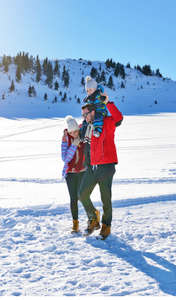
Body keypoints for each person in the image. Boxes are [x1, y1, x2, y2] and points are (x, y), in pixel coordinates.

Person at [79, 98, 123, 240]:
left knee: (106, 199)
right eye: (82, 115)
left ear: (93, 112)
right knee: (82, 194)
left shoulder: (106, 123)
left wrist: (108, 103)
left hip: (106, 166)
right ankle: (93, 217)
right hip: (92, 167)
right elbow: (85, 144)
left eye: (86, 114)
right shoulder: (88, 127)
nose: (84, 117)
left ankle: (106, 226)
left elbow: (119, 118)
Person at [61, 115, 92, 233]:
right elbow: (65, 158)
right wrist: (74, 145)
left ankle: (92, 219)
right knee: (73, 198)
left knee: (83, 196)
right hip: (70, 173)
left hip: (83, 171)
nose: (74, 134)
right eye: (72, 132)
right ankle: (75, 223)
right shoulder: (66, 139)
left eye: (76, 131)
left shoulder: (83, 136)